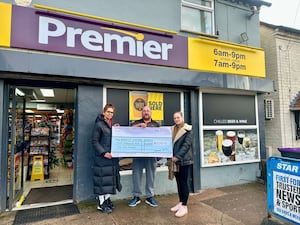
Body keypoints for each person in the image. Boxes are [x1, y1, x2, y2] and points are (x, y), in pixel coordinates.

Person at [92, 103, 122, 214]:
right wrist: (104, 153)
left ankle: (107, 200)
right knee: (101, 181)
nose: (110, 114)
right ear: (104, 112)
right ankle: (101, 204)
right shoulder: (99, 125)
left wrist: (117, 130)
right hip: (102, 158)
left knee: (109, 181)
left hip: (112, 158)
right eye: (108, 111)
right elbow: (95, 142)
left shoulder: (112, 125)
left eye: (112, 112)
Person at [128, 105, 160, 207]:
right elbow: (128, 131)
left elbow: (160, 138)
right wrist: (139, 126)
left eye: (148, 111)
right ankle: (136, 196)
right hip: (138, 154)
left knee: (151, 176)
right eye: (144, 111)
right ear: (141, 113)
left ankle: (149, 197)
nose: (146, 112)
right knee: (136, 175)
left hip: (151, 155)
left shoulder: (156, 125)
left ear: (151, 113)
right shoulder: (136, 123)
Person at [170, 111, 193, 217]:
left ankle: (184, 206)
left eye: (178, 117)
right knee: (178, 182)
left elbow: (186, 145)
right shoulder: (173, 129)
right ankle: (180, 202)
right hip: (175, 161)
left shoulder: (188, 129)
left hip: (184, 161)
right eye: (175, 118)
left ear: (182, 117)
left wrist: (177, 157)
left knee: (184, 183)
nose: (176, 120)